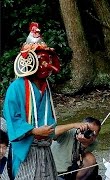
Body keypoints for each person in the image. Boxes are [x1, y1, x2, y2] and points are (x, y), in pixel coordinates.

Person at [1, 22, 61, 180]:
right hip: (26, 149)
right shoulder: (16, 87)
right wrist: (34, 131)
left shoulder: (45, 86)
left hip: (44, 148)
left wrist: (49, 130)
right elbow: (12, 117)